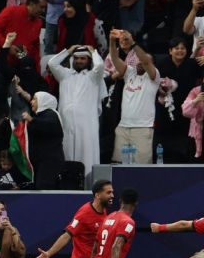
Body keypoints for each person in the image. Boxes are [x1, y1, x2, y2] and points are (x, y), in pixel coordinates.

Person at [48, 45, 106, 180]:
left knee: (86, 154)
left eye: (83, 58)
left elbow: (99, 66)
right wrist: (68, 51)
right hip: (67, 124)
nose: (79, 61)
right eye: (76, 58)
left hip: (86, 126)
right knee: (67, 154)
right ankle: (67, 183)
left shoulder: (93, 77)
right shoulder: (65, 75)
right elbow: (52, 63)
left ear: (89, 60)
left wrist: (93, 51)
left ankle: (88, 183)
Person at [108, 29, 160, 164]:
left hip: (143, 128)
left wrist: (132, 43)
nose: (140, 61)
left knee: (142, 167)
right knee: (119, 165)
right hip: (123, 127)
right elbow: (114, 59)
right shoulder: (129, 72)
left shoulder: (153, 77)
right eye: (137, 59)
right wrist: (112, 41)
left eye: (142, 59)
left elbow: (146, 62)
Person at [22, 92, 65, 190]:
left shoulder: (51, 114)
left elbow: (48, 126)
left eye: (34, 99)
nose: (31, 102)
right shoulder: (40, 116)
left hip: (50, 162)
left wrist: (31, 120)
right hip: (41, 162)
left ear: (43, 101)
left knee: (44, 189)